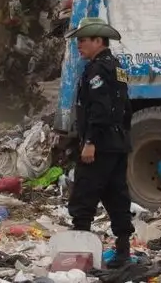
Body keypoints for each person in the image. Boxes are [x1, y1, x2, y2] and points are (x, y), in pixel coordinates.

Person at [64, 17, 134, 269]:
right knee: (117, 195)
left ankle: (79, 255)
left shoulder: (96, 71)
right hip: (117, 143)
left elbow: (100, 109)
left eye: (82, 40)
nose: (78, 46)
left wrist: (90, 141)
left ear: (97, 40)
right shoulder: (118, 67)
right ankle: (123, 252)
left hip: (100, 144)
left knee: (84, 195)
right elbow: (126, 108)